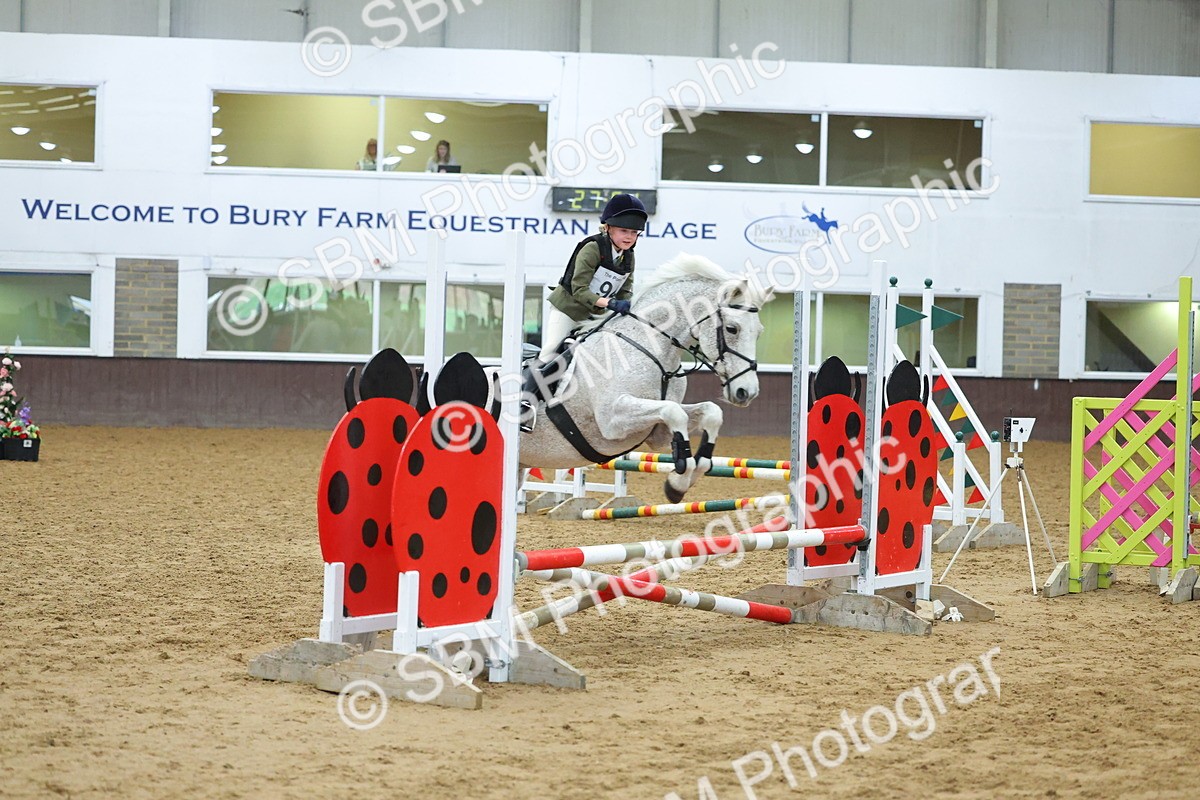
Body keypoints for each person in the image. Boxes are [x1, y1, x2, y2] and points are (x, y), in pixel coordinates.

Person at [519, 193, 648, 431]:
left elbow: (625, 289)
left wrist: (627, 305)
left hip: (597, 314)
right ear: (608, 228)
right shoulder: (592, 248)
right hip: (569, 308)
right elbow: (579, 290)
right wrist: (609, 304)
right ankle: (525, 405)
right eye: (624, 231)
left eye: (634, 233)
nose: (629, 237)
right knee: (550, 351)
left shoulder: (628, 256)